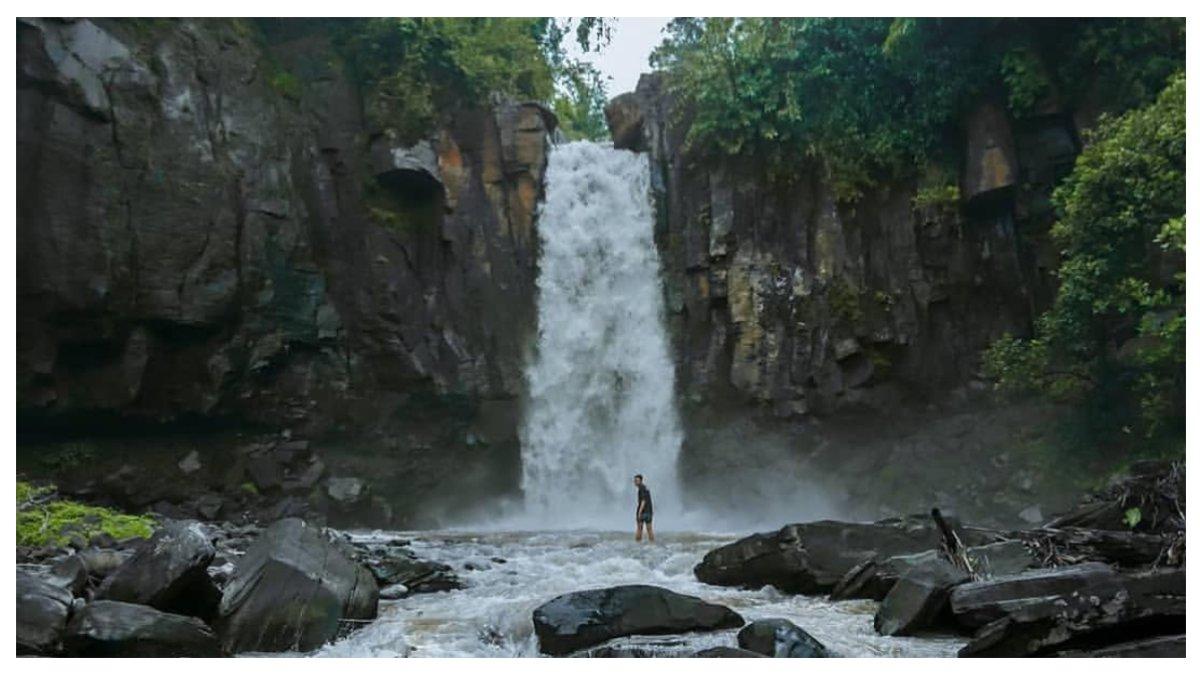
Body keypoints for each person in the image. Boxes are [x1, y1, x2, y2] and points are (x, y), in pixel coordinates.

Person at [633, 474, 654, 542]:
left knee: (639, 529)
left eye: (637, 480)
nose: (635, 482)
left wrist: (639, 512)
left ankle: (637, 544)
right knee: (649, 530)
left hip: (643, 512)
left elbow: (643, 501)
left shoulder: (641, 489)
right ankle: (652, 544)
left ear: (641, 481)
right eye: (635, 480)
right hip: (649, 511)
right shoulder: (645, 488)